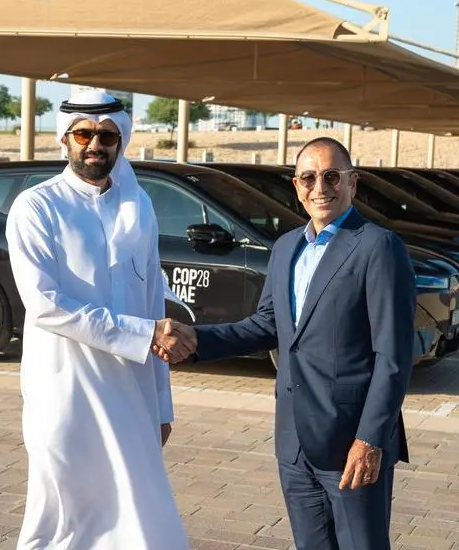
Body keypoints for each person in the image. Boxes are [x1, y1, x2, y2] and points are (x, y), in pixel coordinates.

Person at [167, 137, 417, 550]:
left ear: (353, 183)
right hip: (295, 442)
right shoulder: (286, 248)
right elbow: (267, 325)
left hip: (351, 442)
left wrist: (370, 439)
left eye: (332, 176)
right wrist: (196, 339)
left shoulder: (378, 246)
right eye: (309, 178)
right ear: (296, 186)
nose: (321, 187)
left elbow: (393, 356)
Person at [5, 90, 193, 550]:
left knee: (140, 518)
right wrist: (143, 333)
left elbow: (153, 303)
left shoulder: (139, 206)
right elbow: (46, 305)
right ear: (64, 139)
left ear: (120, 141)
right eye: (84, 134)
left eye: (107, 136)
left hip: (132, 394)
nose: (95, 144)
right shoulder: (36, 206)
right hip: (64, 392)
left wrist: (162, 407)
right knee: (61, 519)